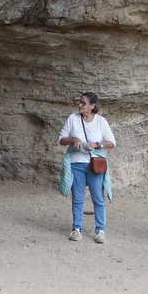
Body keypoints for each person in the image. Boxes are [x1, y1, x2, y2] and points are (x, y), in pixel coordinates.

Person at [59, 92, 116, 243]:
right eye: (80, 102)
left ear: (92, 106)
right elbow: (62, 139)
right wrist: (73, 139)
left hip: (95, 164)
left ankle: (100, 230)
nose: (80, 105)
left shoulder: (101, 121)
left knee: (98, 197)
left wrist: (98, 144)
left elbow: (112, 142)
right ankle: (77, 229)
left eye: (83, 103)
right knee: (77, 198)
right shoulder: (73, 118)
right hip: (76, 162)